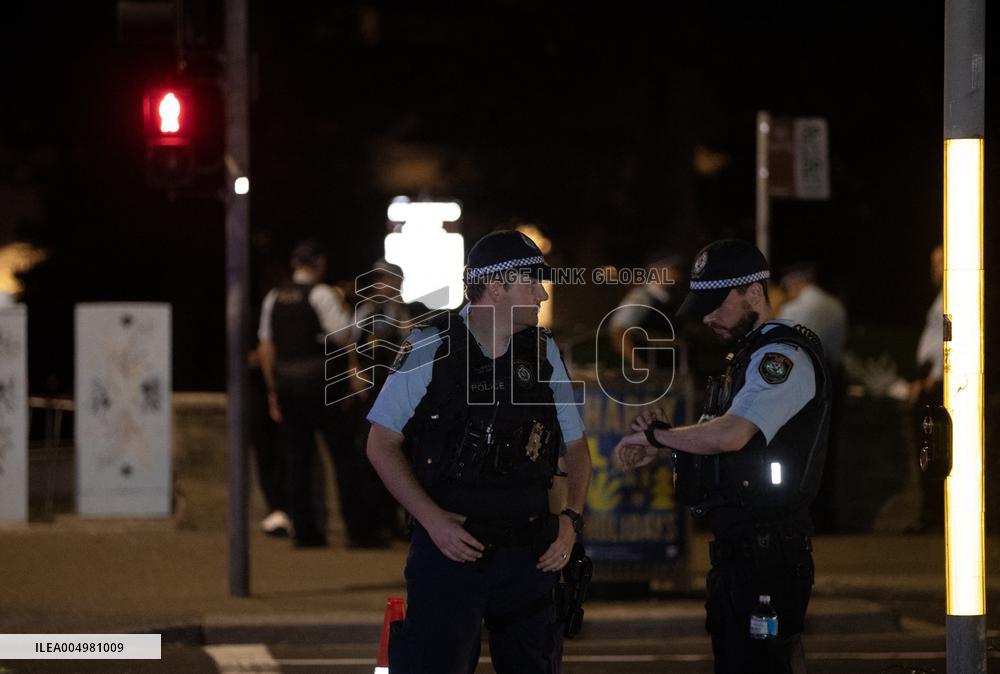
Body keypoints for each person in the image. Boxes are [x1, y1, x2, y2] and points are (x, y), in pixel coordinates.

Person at [366, 229, 591, 674]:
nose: (543, 293)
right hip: (451, 551)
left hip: (529, 554)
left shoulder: (543, 350)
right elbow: (380, 444)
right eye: (532, 282)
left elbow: (577, 448)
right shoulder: (430, 344)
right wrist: (432, 522)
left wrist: (570, 522)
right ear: (496, 286)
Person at [614, 239, 831, 674]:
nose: (708, 317)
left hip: (769, 554)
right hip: (743, 552)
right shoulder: (746, 359)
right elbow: (720, 443)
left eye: (717, 304)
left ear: (753, 292)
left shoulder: (780, 358)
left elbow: (732, 435)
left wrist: (661, 437)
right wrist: (664, 443)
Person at [258, 239, 383, 548]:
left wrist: (272, 390)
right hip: (324, 388)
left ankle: (305, 533)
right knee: (343, 458)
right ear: (319, 263)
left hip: (288, 387)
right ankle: (358, 532)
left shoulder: (274, 297)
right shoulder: (321, 294)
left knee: (297, 462)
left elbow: (266, 347)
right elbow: (344, 335)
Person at [777, 264, 847, 533]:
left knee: (798, 449)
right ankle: (825, 516)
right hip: (831, 378)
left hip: (803, 380)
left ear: (794, 284)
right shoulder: (836, 306)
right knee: (826, 449)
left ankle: (800, 515)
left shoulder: (794, 309)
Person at [908, 244, 944, 532]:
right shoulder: (941, 297)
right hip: (928, 378)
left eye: (939, 263)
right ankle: (930, 512)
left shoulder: (954, 296)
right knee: (926, 447)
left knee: (933, 447)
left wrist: (934, 376)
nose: (934, 270)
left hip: (937, 381)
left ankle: (933, 515)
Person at [608, 254, 686, 370]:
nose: (677, 273)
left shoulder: (670, 299)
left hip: (670, 369)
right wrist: (639, 366)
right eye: (671, 268)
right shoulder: (642, 297)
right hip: (651, 372)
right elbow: (618, 332)